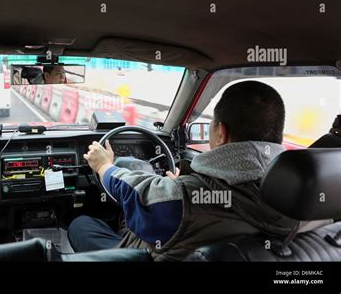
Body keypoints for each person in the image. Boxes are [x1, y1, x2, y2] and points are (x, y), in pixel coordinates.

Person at [68, 80, 299, 261]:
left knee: (81, 224)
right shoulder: (304, 200)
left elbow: (134, 192)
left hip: (146, 254)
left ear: (221, 133)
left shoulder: (180, 201)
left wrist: (103, 165)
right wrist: (180, 187)